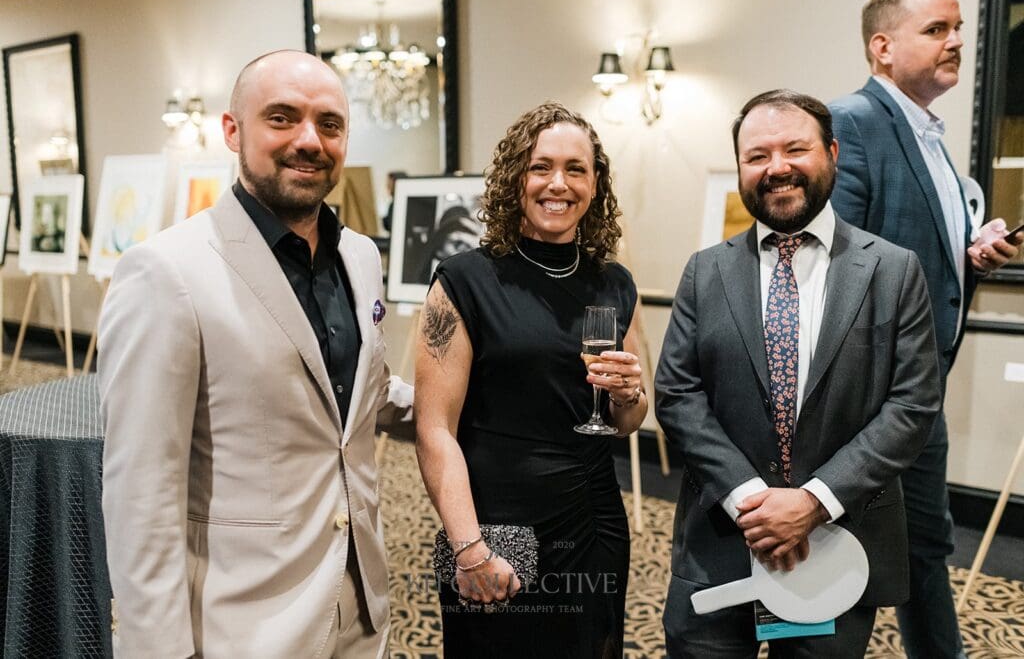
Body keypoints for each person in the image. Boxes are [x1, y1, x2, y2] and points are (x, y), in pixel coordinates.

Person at [98, 50, 412, 658]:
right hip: (243, 627)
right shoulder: (166, 272)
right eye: (282, 117)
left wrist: (474, 393)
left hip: (361, 610)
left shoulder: (361, 258)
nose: (309, 140)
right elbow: (141, 496)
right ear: (232, 130)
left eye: (329, 124)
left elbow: (361, 394)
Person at [655, 89, 942, 657]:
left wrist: (811, 502)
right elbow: (677, 394)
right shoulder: (704, 272)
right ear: (740, 167)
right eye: (757, 155)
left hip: (835, 545)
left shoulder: (892, 270)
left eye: (795, 149)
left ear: (832, 153)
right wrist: (751, 502)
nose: (777, 168)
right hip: (720, 540)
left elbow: (912, 406)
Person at [828, 0, 1024, 656]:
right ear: (882, 47)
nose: (958, 41)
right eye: (937, 29)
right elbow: (837, 257)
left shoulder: (934, 141)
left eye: (961, 28)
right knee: (828, 552)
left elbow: (911, 251)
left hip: (919, 389)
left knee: (925, 543)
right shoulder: (850, 121)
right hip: (859, 394)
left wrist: (973, 259)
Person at [414, 101, 647, 658]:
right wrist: (467, 547)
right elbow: (434, 428)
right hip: (494, 524)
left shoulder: (614, 283)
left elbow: (629, 423)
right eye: (540, 167)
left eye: (575, 169)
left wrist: (629, 395)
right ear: (515, 178)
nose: (557, 184)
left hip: (594, 519)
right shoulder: (464, 281)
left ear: (595, 185)